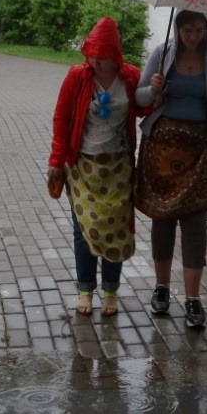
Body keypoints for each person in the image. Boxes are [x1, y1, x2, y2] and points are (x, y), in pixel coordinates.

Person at [134, 9, 207, 329]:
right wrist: (154, 88)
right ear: (178, 30)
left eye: (198, 30)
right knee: (163, 220)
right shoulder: (162, 53)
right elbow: (140, 96)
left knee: (195, 225)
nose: (193, 36)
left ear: (206, 29)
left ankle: (193, 299)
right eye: (187, 31)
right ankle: (162, 289)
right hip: (163, 149)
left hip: (200, 150)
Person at [48, 17, 147, 317]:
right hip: (82, 167)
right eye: (92, 55)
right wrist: (55, 160)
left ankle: (111, 292)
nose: (97, 62)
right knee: (83, 230)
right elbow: (61, 118)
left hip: (118, 167)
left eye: (103, 57)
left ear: (115, 55)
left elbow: (143, 108)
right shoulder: (77, 77)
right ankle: (85, 290)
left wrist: (155, 91)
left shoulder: (130, 77)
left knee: (114, 229)